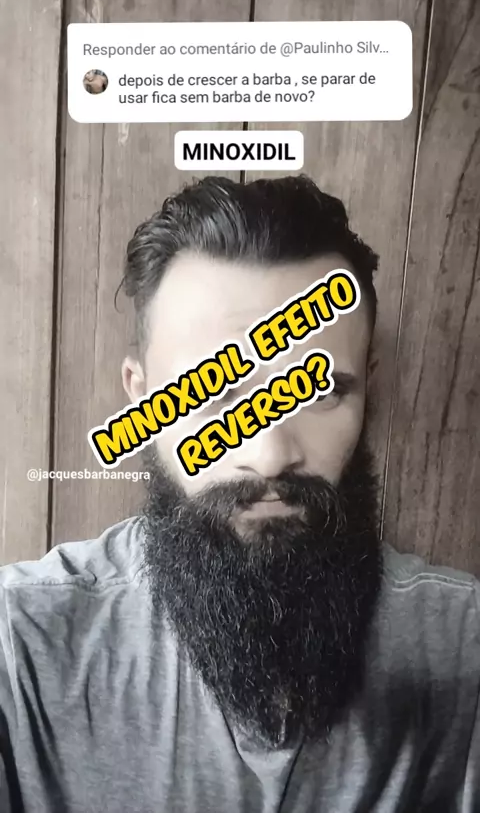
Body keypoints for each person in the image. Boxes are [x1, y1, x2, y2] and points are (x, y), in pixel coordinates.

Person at [0, 175, 478, 813]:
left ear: (370, 389)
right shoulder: (22, 649)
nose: (270, 452)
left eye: (323, 391)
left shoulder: (465, 645)